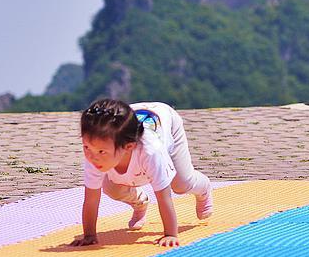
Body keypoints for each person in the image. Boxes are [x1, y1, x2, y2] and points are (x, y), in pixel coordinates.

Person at [71, 99, 213, 248]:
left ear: (128, 147)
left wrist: (170, 234)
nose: (93, 156)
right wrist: (89, 235)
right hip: (123, 121)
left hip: (167, 123)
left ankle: (204, 188)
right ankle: (140, 202)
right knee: (111, 188)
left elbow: (164, 197)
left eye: (101, 151)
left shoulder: (151, 151)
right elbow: (91, 199)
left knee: (181, 184)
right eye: (86, 147)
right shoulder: (96, 149)